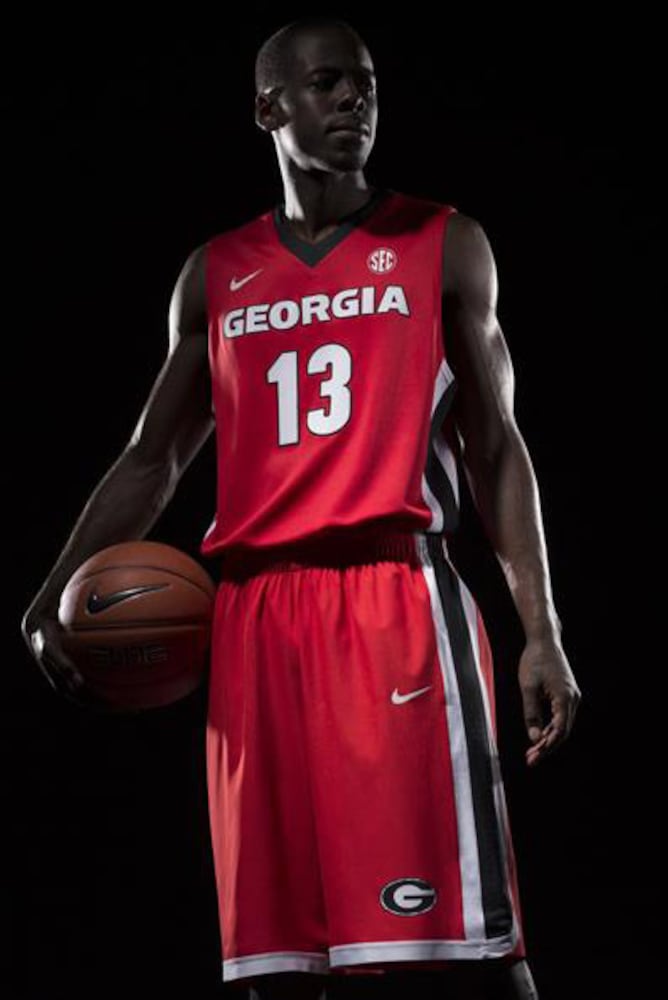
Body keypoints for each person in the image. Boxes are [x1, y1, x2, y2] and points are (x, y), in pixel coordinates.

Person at [21, 17, 581, 1000]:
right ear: (267, 107)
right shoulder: (216, 273)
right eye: (326, 84)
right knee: (276, 968)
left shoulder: (445, 244)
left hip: (393, 605)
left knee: (458, 950)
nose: (354, 100)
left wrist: (542, 632)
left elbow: (497, 446)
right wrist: (51, 594)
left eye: (365, 83)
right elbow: (153, 457)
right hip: (255, 621)